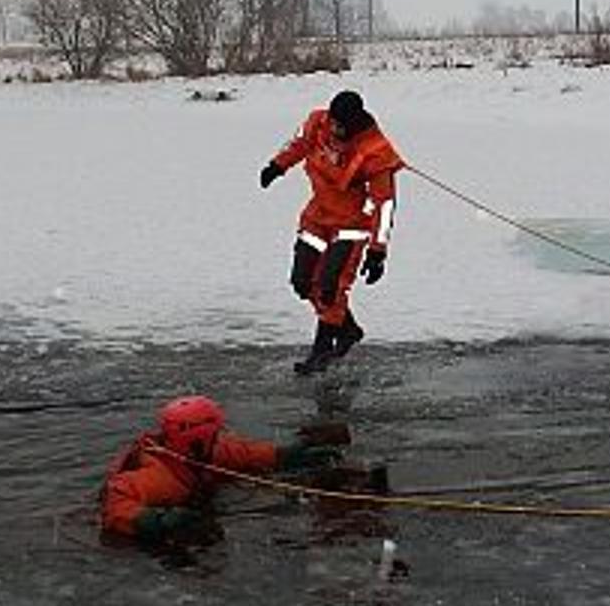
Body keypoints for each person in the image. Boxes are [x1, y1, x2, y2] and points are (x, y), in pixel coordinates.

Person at [259, 90, 407, 374]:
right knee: (302, 282)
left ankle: (322, 349)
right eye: (333, 122)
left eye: (341, 126)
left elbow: (383, 205)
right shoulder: (319, 121)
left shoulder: (376, 152)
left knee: (331, 288)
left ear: (353, 124)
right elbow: (299, 144)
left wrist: (378, 251)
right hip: (317, 216)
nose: (334, 129)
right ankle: (347, 329)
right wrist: (277, 166)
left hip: (351, 226)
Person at [99, 395, 344, 544]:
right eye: (215, 434)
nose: (220, 437)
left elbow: (245, 453)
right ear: (198, 440)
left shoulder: (201, 452)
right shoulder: (157, 476)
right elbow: (115, 505)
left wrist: (290, 456)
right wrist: (158, 521)